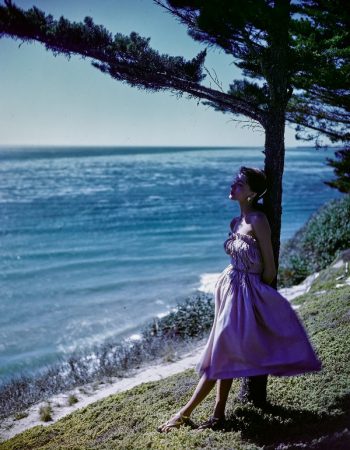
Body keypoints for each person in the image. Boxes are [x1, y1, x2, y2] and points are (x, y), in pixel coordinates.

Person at [157, 166, 322, 433]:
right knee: (225, 354)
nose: (234, 186)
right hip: (228, 289)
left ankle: (183, 414)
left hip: (245, 295)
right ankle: (218, 413)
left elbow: (270, 268)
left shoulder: (258, 220)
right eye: (235, 181)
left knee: (221, 352)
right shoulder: (235, 223)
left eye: (240, 184)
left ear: (253, 193)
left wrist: (254, 296)